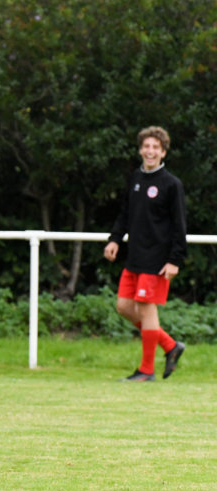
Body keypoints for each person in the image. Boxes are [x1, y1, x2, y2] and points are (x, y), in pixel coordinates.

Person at [104, 126, 187, 382]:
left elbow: (179, 226)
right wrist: (115, 239)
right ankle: (169, 345)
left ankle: (146, 371)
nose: (150, 151)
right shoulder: (136, 178)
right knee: (123, 306)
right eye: (146, 146)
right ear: (140, 150)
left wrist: (175, 260)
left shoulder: (171, 184)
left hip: (157, 259)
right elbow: (125, 214)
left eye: (155, 148)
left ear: (163, 152)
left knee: (145, 309)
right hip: (135, 257)